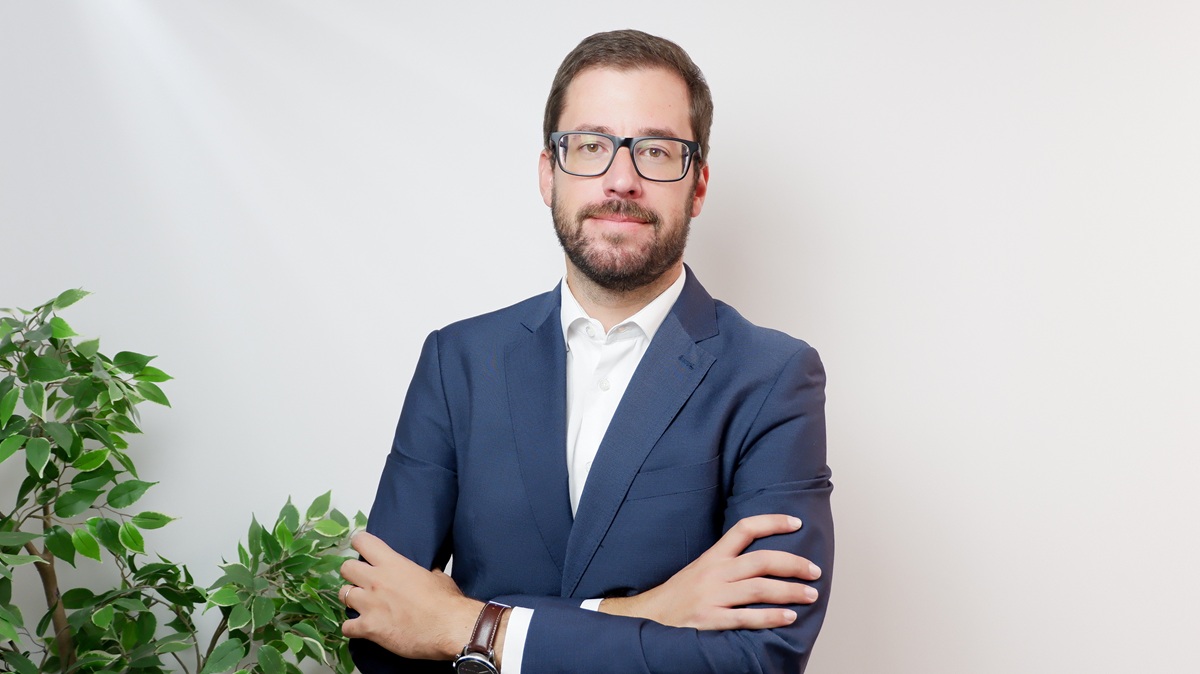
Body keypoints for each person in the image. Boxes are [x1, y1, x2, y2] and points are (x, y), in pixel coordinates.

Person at [339, 29, 834, 673]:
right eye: (591, 146)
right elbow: (378, 623)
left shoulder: (773, 378)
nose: (621, 179)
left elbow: (759, 660)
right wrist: (647, 610)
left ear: (698, 185)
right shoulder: (456, 361)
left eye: (656, 151)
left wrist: (467, 624)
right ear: (549, 174)